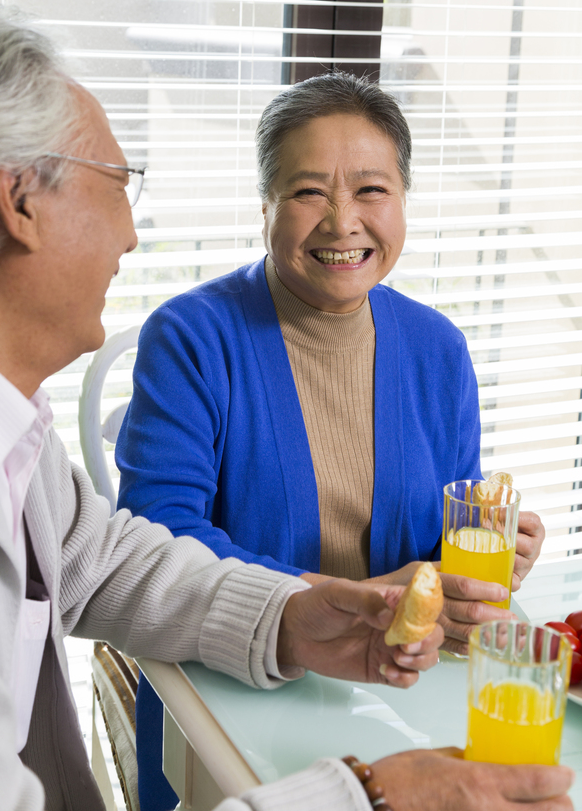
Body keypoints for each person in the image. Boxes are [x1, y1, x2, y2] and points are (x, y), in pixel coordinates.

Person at [0, 3, 566, 811]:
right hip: (245, 720)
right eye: (117, 185)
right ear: (19, 203)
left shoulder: (0, 426)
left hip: (375, 687)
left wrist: (297, 614)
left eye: (372, 190)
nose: (132, 238)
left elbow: (105, 559)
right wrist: (368, 796)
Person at [115, 73, 546, 810]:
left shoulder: (437, 347)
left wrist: (478, 563)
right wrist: (334, 603)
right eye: (309, 191)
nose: (342, 221)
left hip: (404, 686)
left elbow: (444, 538)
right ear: (265, 207)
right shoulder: (190, 337)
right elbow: (160, 540)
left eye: (371, 190)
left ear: (403, 201)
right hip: (235, 687)